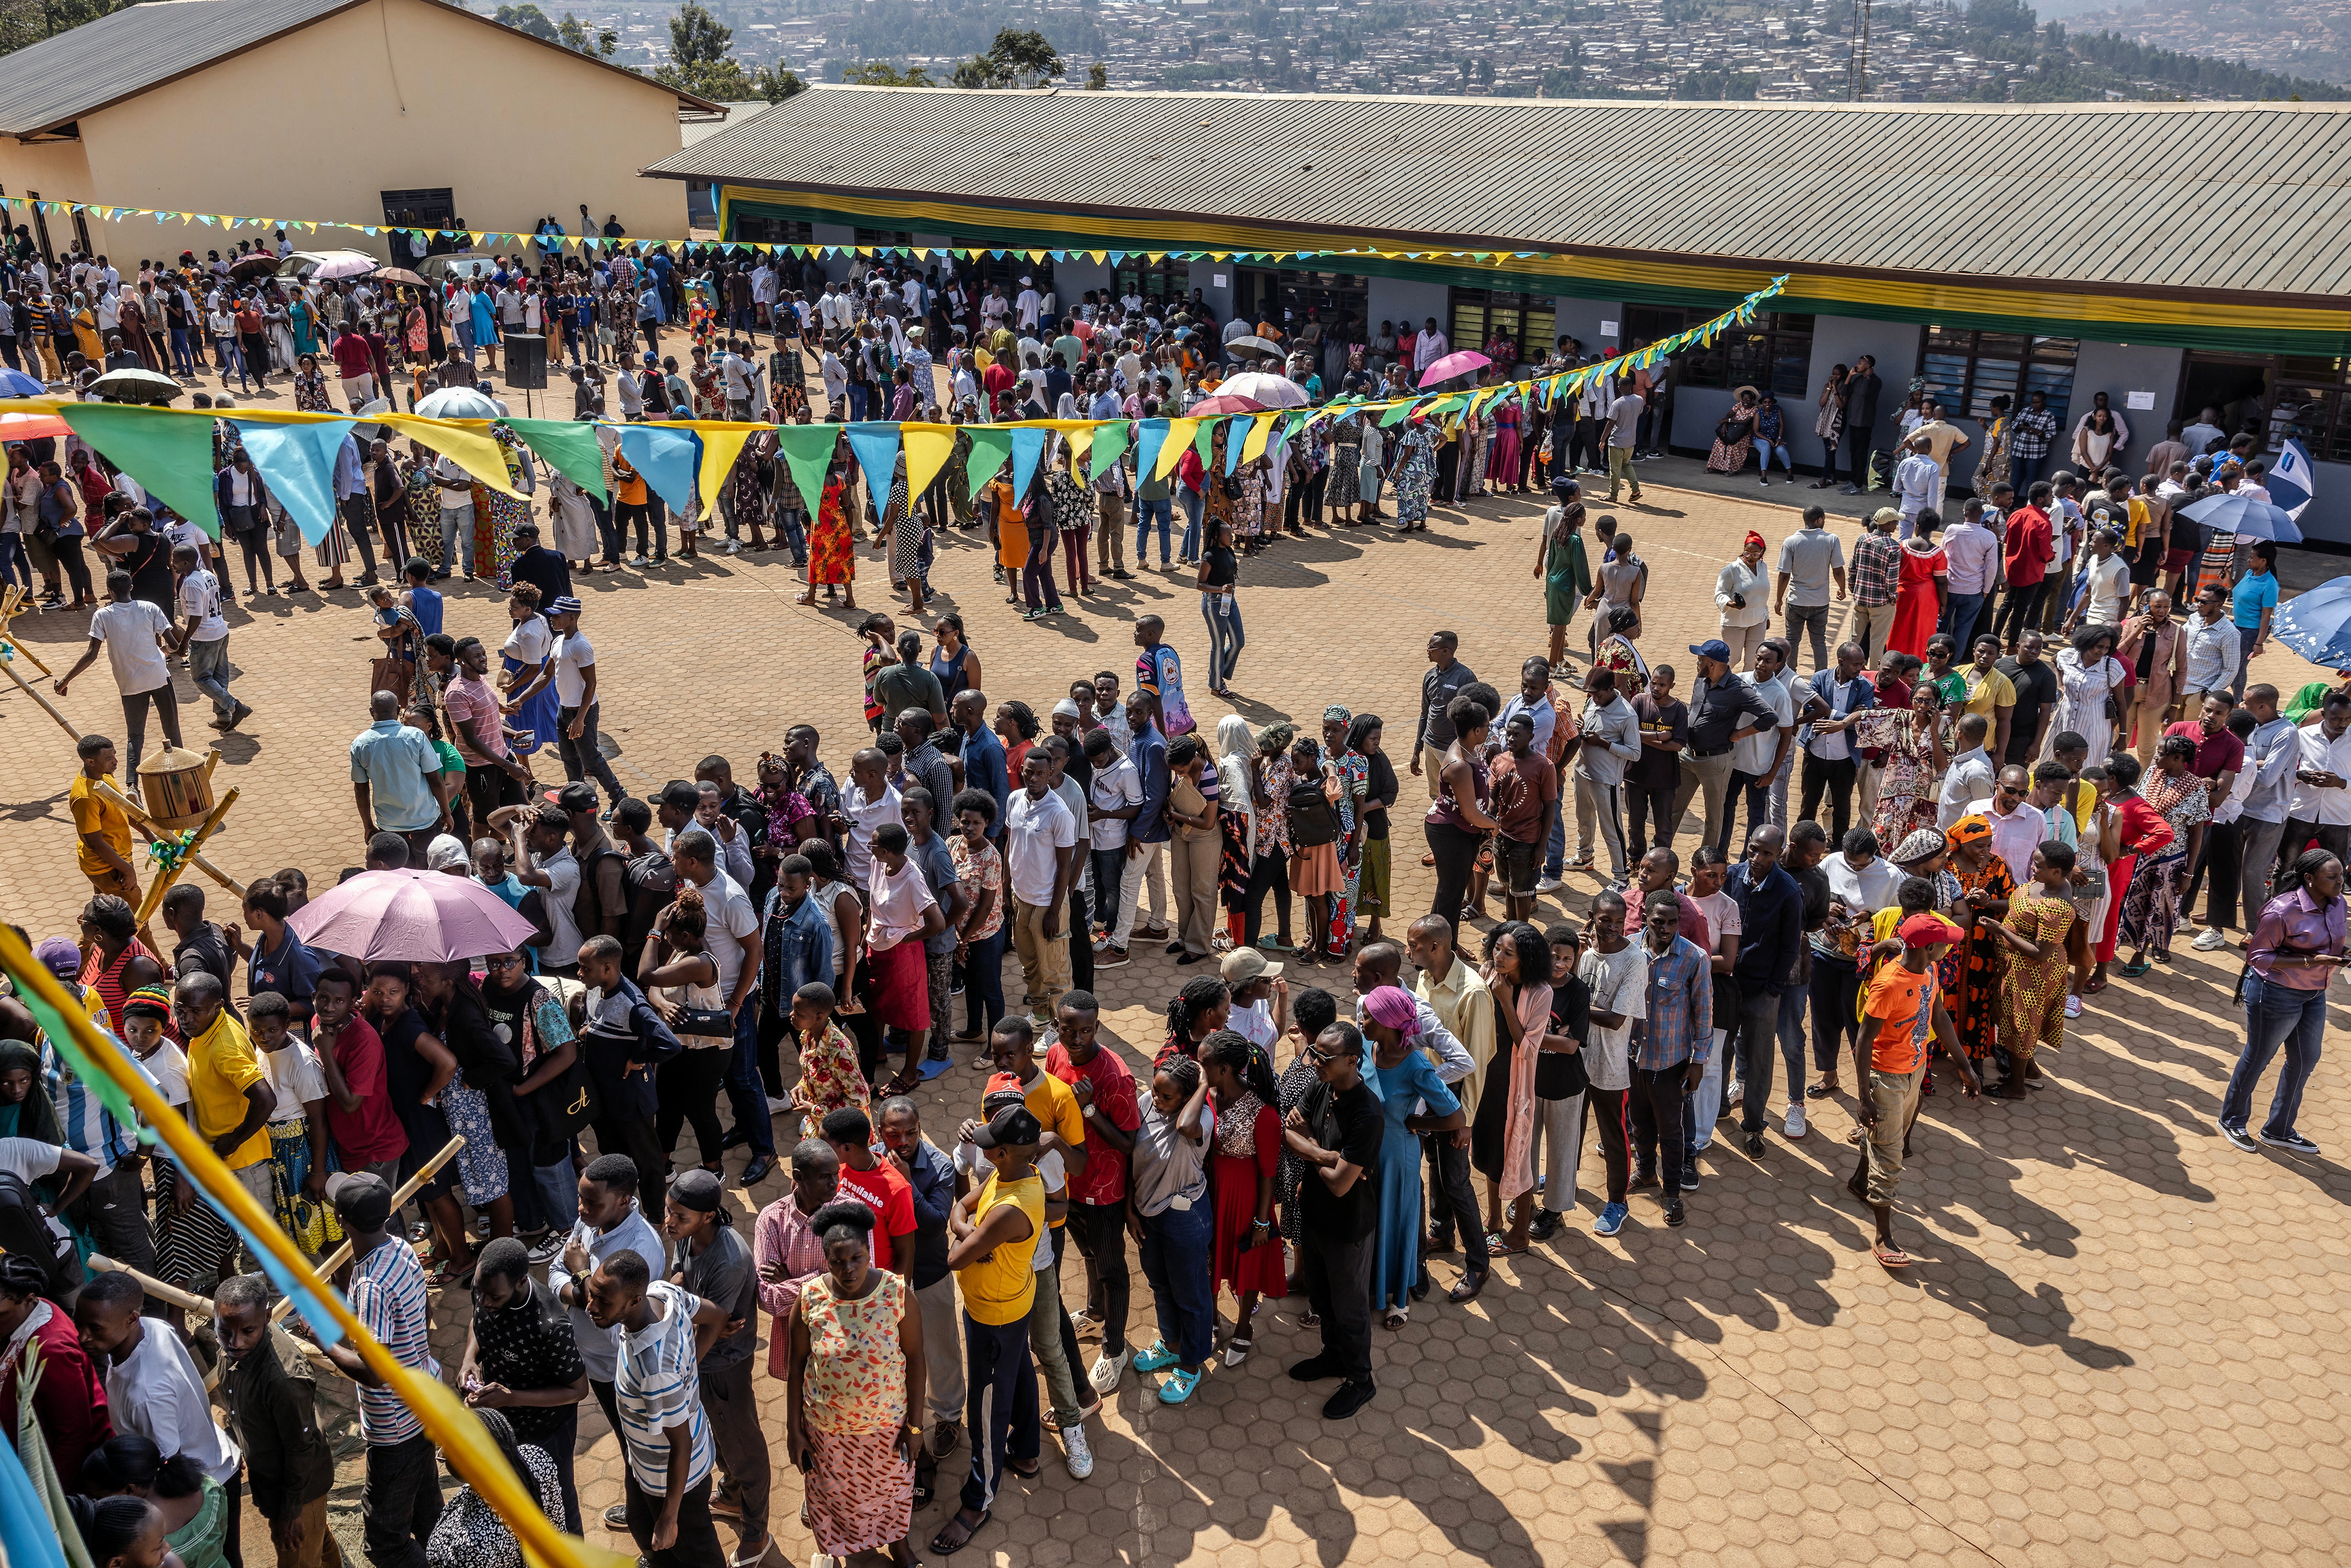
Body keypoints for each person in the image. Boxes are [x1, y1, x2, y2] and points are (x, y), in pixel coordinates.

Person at [934, 1102, 1044, 1558]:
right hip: (1011, 1301)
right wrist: (969, 1229)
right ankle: (1026, 1451)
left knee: (985, 1411)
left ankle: (978, 1502)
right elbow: (962, 1208)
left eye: (988, 1147)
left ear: (1001, 1154)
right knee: (1017, 1373)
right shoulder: (1019, 1173)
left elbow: (954, 1255)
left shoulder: (1010, 1207)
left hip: (993, 1315)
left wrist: (967, 1232)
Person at [317, 1172, 441, 1568]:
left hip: (396, 1424)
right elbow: (421, 1312)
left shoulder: (371, 1285)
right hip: (424, 1400)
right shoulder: (403, 1248)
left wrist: (324, 1342)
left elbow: (375, 1372)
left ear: (340, 1220)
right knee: (428, 1513)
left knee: (385, 1541)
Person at [586, 1249, 729, 1568]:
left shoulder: (655, 1370)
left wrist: (669, 1518)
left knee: (696, 1553)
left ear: (633, 1302)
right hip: (645, 1464)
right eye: (593, 1294)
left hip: (674, 1481)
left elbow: (681, 1444)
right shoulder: (661, 1293)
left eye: (603, 1302)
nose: (591, 1307)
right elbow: (716, 1316)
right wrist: (688, 1369)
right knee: (639, 1523)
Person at [1848, 912, 1976, 1267]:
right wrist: (1864, 1097)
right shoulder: (1888, 983)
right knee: (1891, 1157)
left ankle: (1860, 1180)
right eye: (1946, 943)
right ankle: (1882, 1237)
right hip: (1885, 1079)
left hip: (1914, 1071)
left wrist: (1964, 1066)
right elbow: (1863, 1042)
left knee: (1886, 1137)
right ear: (1930, 947)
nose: (1950, 946)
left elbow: (1939, 1017)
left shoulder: (1930, 972)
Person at [662, 1168, 767, 1566]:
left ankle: (757, 1532)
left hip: (722, 1366)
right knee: (716, 1438)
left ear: (708, 1215)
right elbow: (679, 1279)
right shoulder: (687, 1235)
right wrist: (696, 1314)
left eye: (680, 1216)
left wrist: (684, 1364)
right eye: (668, 1211)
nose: (670, 1221)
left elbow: (714, 1326)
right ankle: (733, 1493)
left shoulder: (730, 1259)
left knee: (745, 1450)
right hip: (700, 1353)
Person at [458, 1238, 590, 1534]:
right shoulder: (485, 1287)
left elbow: (578, 1391)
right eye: (480, 1293)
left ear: (520, 1283)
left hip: (545, 1431)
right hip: (502, 1419)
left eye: (493, 1297)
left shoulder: (550, 1326)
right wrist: (470, 1358)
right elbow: (478, 1321)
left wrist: (512, 1398)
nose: (484, 1302)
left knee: (556, 1504)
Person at [2218, 848, 2344, 1155]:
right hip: (2275, 993)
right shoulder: (2282, 911)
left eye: (2342, 875)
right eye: (2333, 877)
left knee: (2305, 1060)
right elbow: (2258, 957)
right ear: (2310, 879)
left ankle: (2279, 1129)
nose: (2341, 882)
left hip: (2315, 993)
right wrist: (2311, 961)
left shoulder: (2338, 904)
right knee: (2259, 1057)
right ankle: (2232, 1120)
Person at [212, 1273, 336, 1568]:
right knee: (317, 1540)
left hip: (299, 1488)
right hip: (271, 1480)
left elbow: (300, 1448)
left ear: (267, 1317)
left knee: (296, 1555)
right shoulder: (234, 1343)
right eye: (224, 1332)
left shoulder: (284, 1380)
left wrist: (292, 1513)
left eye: (248, 1331)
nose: (235, 1342)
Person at [53, 570, 182, 778]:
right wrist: (164, 651)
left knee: (135, 736)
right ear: (132, 587)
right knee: (172, 731)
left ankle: (132, 785)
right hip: (159, 677)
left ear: (110, 591)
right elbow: (175, 645)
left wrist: (65, 681)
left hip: (129, 683)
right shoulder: (150, 608)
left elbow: (91, 654)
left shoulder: (103, 615)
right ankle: (183, 775)